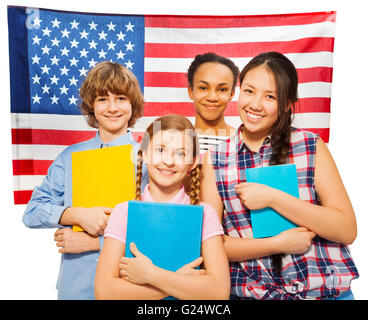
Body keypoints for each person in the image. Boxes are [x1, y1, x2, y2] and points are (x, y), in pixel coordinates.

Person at [200, 51, 359, 300]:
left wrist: (274, 198)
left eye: (270, 96)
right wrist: (278, 244)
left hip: (325, 293)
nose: (255, 104)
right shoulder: (216, 160)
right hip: (253, 294)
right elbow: (210, 245)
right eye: (249, 91)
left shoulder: (309, 145)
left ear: (287, 103)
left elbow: (346, 229)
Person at [22, 61, 148, 300]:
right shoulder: (69, 157)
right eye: (102, 99)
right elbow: (32, 212)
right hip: (76, 287)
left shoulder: (150, 157)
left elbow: (156, 227)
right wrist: (75, 215)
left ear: (133, 105)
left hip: (129, 286)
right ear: (92, 105)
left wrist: (96, 243)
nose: (112, 107)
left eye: (121, 98)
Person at [95, 114, 230, 300]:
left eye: (181, 153)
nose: (169, 160)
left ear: (193, 162)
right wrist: (179, 282)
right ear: (145, 153)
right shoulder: (124, 212)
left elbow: (219, 292)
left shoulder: (205, 214)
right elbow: (105, 292)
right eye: (160, 150)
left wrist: (151, 274)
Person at [187, 52, 239, 154]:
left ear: (231, 94)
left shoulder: (242, 141)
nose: (212, 97)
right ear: (191, 92)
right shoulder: (174, 140)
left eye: (222, 89)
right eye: (203, 88)